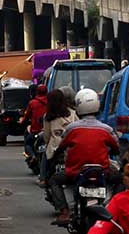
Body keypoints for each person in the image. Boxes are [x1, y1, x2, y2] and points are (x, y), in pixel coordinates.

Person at [50, 88, 120, 226]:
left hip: (75, 172)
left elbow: (62, 146)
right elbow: (116, 148)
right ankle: (114, 208)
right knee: (121, 180)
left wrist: (54, 157)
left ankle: (64, 212)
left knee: (54, 180)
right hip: (103, 171)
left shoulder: (72, 128)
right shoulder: (106, 129)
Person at [41, 89, 77, 187]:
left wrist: (49, 143)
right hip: (71, 146)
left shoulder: (48, 116)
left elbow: (47, 136)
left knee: (45, 155)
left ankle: (43, 178)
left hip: (54, 147)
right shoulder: (72, 113)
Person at [21, 85, 49, 168]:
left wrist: (22, 122)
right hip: (47, 131)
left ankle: (32, 155)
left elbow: (26, 117)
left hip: (35, 131)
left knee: (27, 143)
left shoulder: (32, 103)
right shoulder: (50, 103)